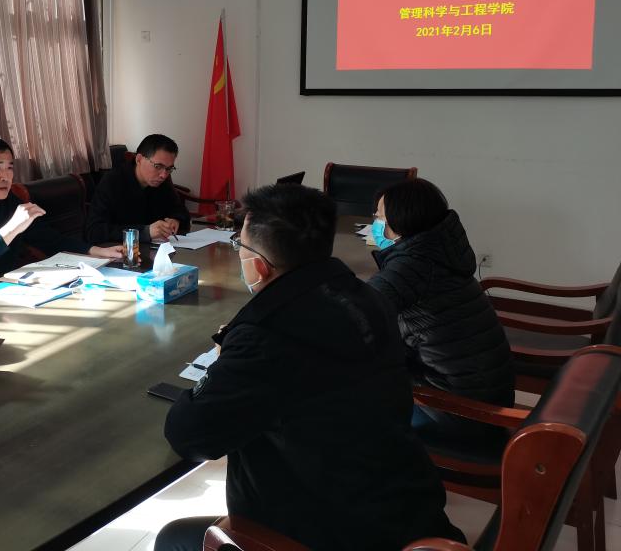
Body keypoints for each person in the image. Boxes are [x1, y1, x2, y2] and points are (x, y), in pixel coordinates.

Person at [156, 184, 462, 551]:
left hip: (333, 530)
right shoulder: (367, 297)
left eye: (240, 245)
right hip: (403, 506)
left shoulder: (267, 333)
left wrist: (223, 362)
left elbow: (188, 436)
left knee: (173, 538)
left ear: (259, 265)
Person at [369, 178, 515, 440]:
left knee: (344, 399)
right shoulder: (441, 249)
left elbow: (358, 311)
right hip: (486, 393)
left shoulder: (413, 265)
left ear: (402, 223)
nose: (375, 224)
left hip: (458, 414)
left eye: (380, 217)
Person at [0, 137, 123, 298]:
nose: (6, 176)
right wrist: (13, 227)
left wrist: (97, 251)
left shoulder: (10, 203)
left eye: (9, 167)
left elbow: (50, 240)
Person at [85, 134, 191, 244]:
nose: (163, 175)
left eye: (169, 168)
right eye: (157, 166)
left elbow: (179, 210)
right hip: (122, 250)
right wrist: (144, 232)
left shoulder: (162, 181)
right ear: (139, 159)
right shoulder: (112, 181)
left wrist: (176, 219)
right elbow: (94, 231)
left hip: (156, 249)